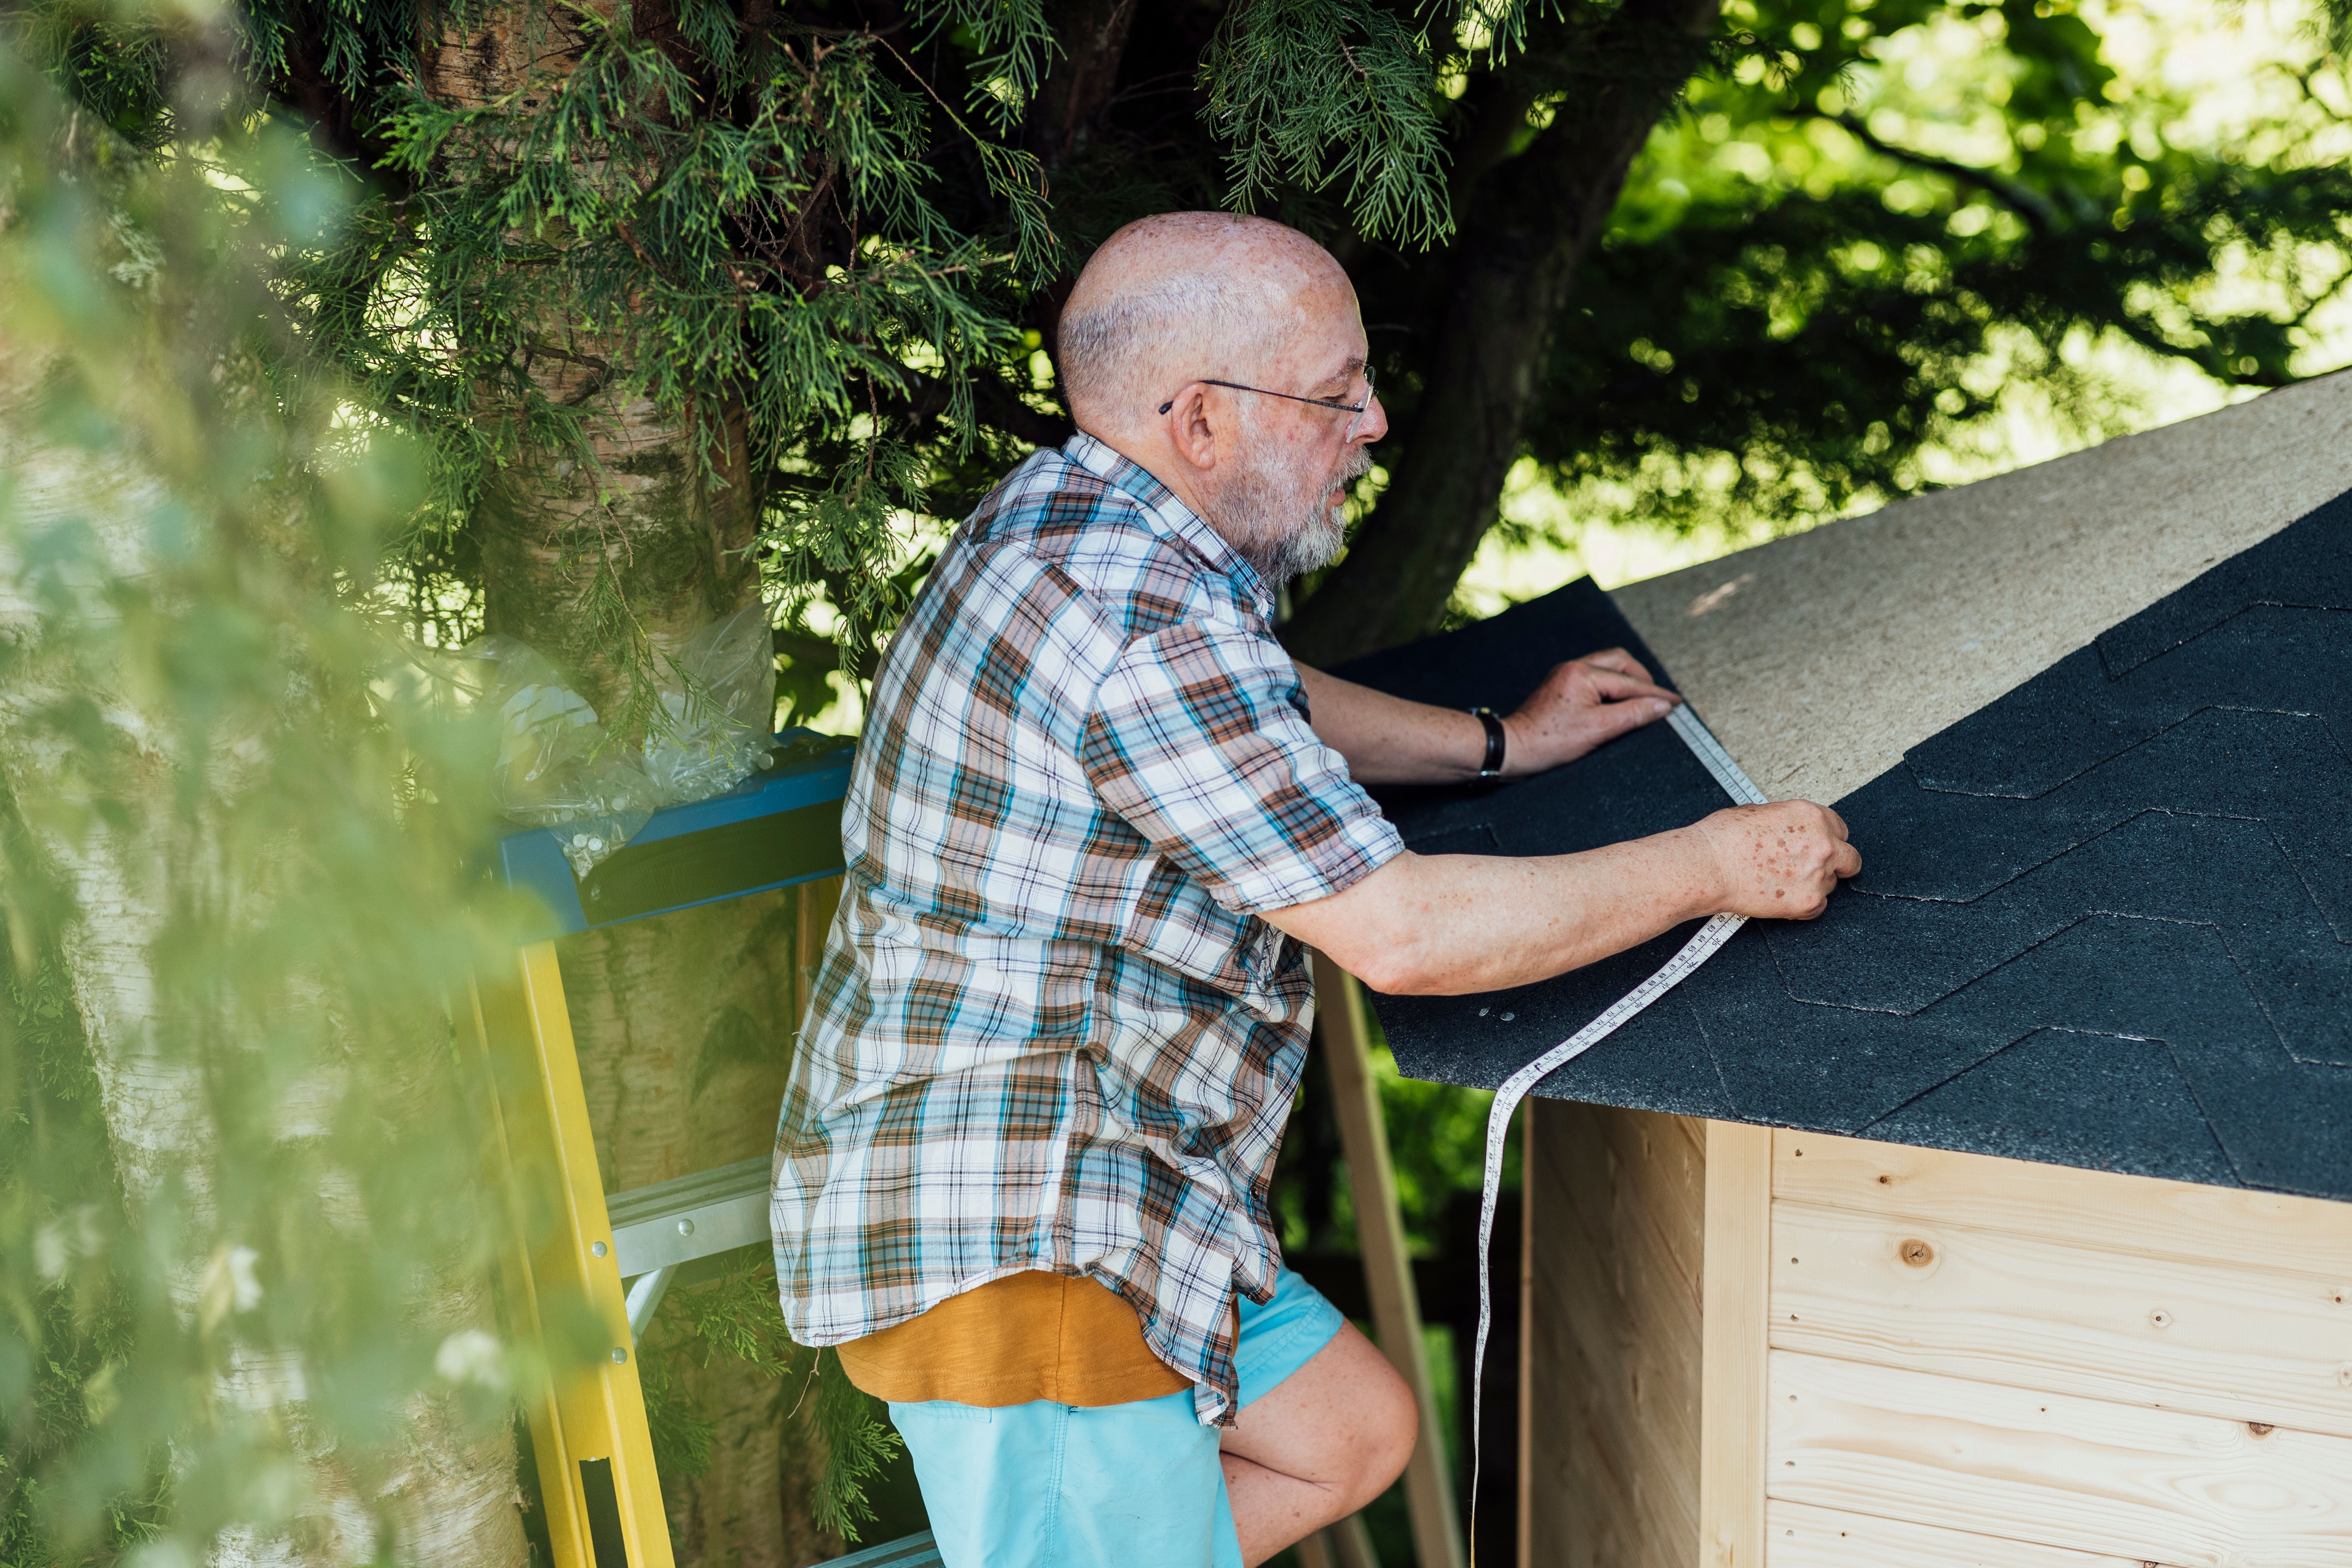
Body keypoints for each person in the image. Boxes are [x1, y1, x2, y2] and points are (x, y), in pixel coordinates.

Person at [771, 211, 1859, 1568]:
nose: (1379, 420)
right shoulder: (1140, 627)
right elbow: (1403, 937)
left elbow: (1256, 705)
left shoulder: (1079, 515)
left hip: (1075, 1177)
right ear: (1202, 421)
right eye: (1337, 392)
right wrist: (1720, 864)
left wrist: (1500, 740)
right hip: (1036, 1235)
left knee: (1349, 1432)